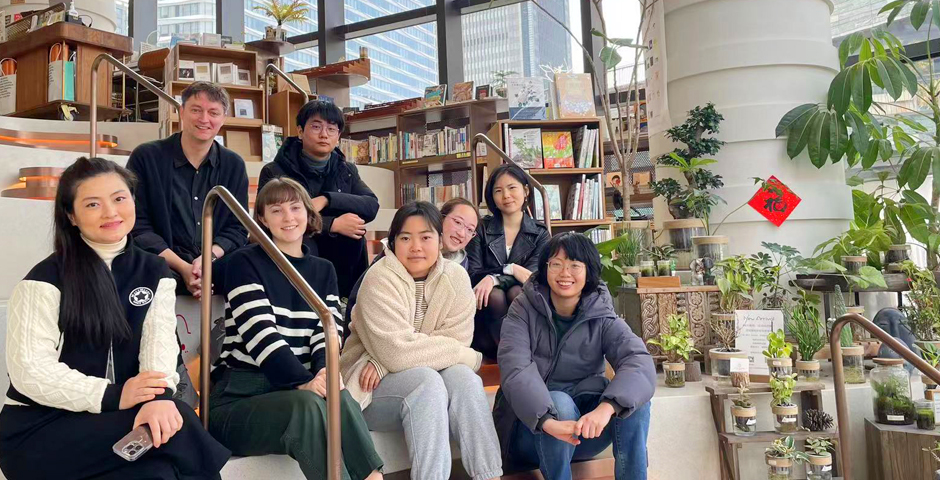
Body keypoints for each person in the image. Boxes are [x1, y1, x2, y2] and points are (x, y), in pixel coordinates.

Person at [0, 157, 230, 479]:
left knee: (160, 472)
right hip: (40, 429)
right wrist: (114, 395)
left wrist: (157, 398)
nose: (111, 212)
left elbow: (159, 345)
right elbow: (30, 371)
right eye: (93, 204)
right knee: (180, 424)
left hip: (113, 423)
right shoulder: (44, 279)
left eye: (119, 198)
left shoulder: (153, 271)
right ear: (71, 216)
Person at [208, 177, 383, 480]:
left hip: (297, 392)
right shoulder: (244, 263)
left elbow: (326, 334)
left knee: (338, 395)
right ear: (262, 218)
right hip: (239, 398)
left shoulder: (323, 270)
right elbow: (261, 335)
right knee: (309, 404)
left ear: (308, 212)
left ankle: (373, 477)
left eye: (295, 207)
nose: (288, 217)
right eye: (276, 210)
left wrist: (323, 372)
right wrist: (303, 382)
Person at [339, 202, 502, 480]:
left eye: (425, 237)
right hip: (367, 391)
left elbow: (457, 338)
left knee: (464, 378)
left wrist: (385, 361)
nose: (416, 247)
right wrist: (459, 353)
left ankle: (489, 476)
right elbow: (400, 352)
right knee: (427, 381)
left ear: (440, 240)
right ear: (393, 242)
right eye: (405, 238)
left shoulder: (456, 277)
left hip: (394, 373)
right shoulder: (378, 278)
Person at [494, 232, 655, 480]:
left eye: (574, 265)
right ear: (545, 268)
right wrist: (548, 422)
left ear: (589, 271)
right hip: (533, 429)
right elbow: (516, 370)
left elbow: (638, 361)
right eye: (556, 264)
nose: (565, 273)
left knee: (633, 401)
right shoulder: (522, 309)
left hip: (583, 431)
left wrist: (607, 408)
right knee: (559, 403)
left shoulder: (601, 313)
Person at [127, 81, 249, 298]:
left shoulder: (234, 165)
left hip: (215, 260)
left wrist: (207, 259)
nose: (204, 119)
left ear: (223, 118)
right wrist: (183, 267)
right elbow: (137, 224)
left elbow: (238, 228)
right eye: (196, 110)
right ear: (181, 112)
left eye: (213, 113)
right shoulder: (146, 157)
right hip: (162, 260)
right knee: (147, 270)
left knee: (252, 267)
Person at [259, 100, 379, 298]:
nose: (324, 134)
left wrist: (327, 199)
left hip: (336, 250)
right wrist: (332, 224)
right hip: (294, 241)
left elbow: (371, 205)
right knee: (306, 240)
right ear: (300, 131)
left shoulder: (346, 170)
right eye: (316, 127)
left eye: (331, 129)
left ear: (338, 137)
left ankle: (347, 301)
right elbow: (270, 220)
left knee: (354, 236)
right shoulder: (275, 171)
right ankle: (307, 300)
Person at [343, 197, 479, 336]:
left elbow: (459, 337)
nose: (462, 233)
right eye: (457, 222)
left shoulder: (458, 272)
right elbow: (393, 343)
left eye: (470, 230)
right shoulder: (382, 273)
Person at [467, 164, 549, 359]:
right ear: (492, 197)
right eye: (498, 190)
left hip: (525, 315)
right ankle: (511, 356)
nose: (506, 195)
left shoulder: (540, 234)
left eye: (512, 188)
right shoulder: (481, 229)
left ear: (526, 191)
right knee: (494, 295)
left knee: (517, 292)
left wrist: (495, 277)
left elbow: (530, 277)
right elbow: (473, 274)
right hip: (484, 320)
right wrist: (509, 270)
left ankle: (514, 354)